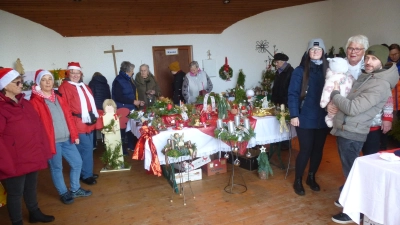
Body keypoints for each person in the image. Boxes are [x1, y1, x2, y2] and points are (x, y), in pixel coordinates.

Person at [330, 45, 398, 224]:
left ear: (383, 62)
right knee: (352, 173)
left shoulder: (380, 84)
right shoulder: (368, 77)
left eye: (374, 59)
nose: (368, 62)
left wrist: (335, 94)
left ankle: (356, 212)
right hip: (348, 129)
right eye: (367, 58)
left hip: (353, 131)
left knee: (355, 175)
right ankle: (352, 203)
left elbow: (353, 108)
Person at [0, 68, 55, 225]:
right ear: (5, 85)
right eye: (16, 81)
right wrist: (5, 163)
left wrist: (43, 150)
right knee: (15, 193)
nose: (20, 84)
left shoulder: (25, 103)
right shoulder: (1, 107)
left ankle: (34, 212)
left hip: (31, 154)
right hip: (13, 159)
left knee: (31, 187)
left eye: (21, 80)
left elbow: (38, 127)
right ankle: (17, 222)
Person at [30, 69, 92, 205]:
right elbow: (35, 126)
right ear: (39, 82)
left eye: (50, 79)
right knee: (57, 168)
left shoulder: (58, 97)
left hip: (67, 139)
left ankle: (75, 189)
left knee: (77, 163)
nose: (48, 82)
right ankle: (64, 192)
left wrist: (74, 134)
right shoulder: (35, 101)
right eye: (44, 79)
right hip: (51, 142)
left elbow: (69, 117)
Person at [287, 38, 330, 196]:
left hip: (323, 118)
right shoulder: (300, 71)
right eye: (313, 50)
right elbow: (292, 94)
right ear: (308, 52)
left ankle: (311, 177)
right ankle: (298, 179)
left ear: (323, 52)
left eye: (318, 50)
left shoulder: (329, 70)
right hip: (304, 117)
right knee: (305, 149)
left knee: (318, 149)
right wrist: (294, 114)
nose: (316, 52)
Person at [58, 62, 99, 185]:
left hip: (89, 121)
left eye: (77, 73)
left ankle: (87, 171)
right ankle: (86, 175)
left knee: (88, 149)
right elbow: (64, 109)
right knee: (85, 149)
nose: (75, 75)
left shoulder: (85, 86)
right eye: (73, 73)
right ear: (68, 73)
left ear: (81, 74)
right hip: (77, 123)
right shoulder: (64, 88)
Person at [112, 61, 144, 153]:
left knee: (131, 127)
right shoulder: (118, 80)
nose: (133, 72)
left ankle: (131, 145)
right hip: (122, 108)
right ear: (127, 71)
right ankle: (123, 150)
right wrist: (133, 101)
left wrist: (136, 102)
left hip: (131, 107)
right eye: (132, 70)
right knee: (123, 129)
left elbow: (132, 93)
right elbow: (118, 97)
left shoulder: (129, 79)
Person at [88, 72, 111, 148]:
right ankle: (106, 143)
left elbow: (90, 96)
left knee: (93, 126)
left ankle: (94, 145)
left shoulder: (91, 83)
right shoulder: (106, 84)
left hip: (95, 108)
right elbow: (109, 96)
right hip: (105, 107)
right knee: (105, 125)